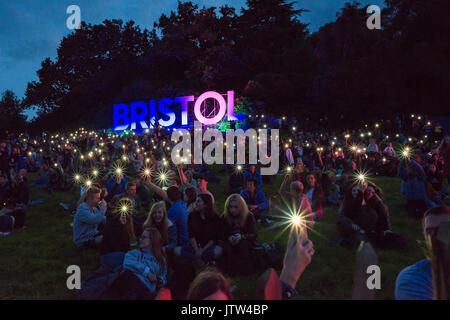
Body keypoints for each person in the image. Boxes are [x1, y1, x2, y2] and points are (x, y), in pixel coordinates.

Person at [395, 205, 450, 300]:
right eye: (430, 232)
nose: (437, 237)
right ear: (424, 237)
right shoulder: (413, 279)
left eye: (446, 228)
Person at [337, 181, 406, 249]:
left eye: (358, 190)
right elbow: (343, 218)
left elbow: (383, 215)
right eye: (354, 190)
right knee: (362, 240)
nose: (356, 192)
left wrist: (386, 230)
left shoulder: (372, 202)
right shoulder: (348, 204)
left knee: (397, 238)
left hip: (373, 231)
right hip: (359, 231)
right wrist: (352, 224)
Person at [114, 228, 167, 300]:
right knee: (133, 286)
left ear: (152, 240)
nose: (140, 239)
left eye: (144, 237)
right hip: (129, 279)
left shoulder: (161, 260)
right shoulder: (135, 253)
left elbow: (163, 277)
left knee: (140, 294)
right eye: (141, 237)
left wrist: (159, 280)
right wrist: (147, 272)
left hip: (145, 287)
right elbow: (127, 263)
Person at [176, 194, 222, 266]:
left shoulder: (215, 218)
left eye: (198, 201)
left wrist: (202, 250)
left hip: (208, 246)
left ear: (205, 204)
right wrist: (197, 249)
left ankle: (195, 259)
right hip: (194, 246)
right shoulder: (192, 216)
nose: (195, 204)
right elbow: (191, 235)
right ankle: (201, 260)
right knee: (176, 250)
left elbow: (214, 238)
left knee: (219, 250)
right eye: (196, 201)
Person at [219, 194, 258, 276]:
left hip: (244, 240)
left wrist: (242, 237)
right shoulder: (224, 217)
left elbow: (253, 234)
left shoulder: (248, 216)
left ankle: (243, 270)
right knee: (226, 246)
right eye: (230, 207)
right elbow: (220, 233)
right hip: (230, 240)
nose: (233, 210)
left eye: (236, 207)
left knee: (243, 245)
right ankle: (229, 270)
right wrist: (228, 237)